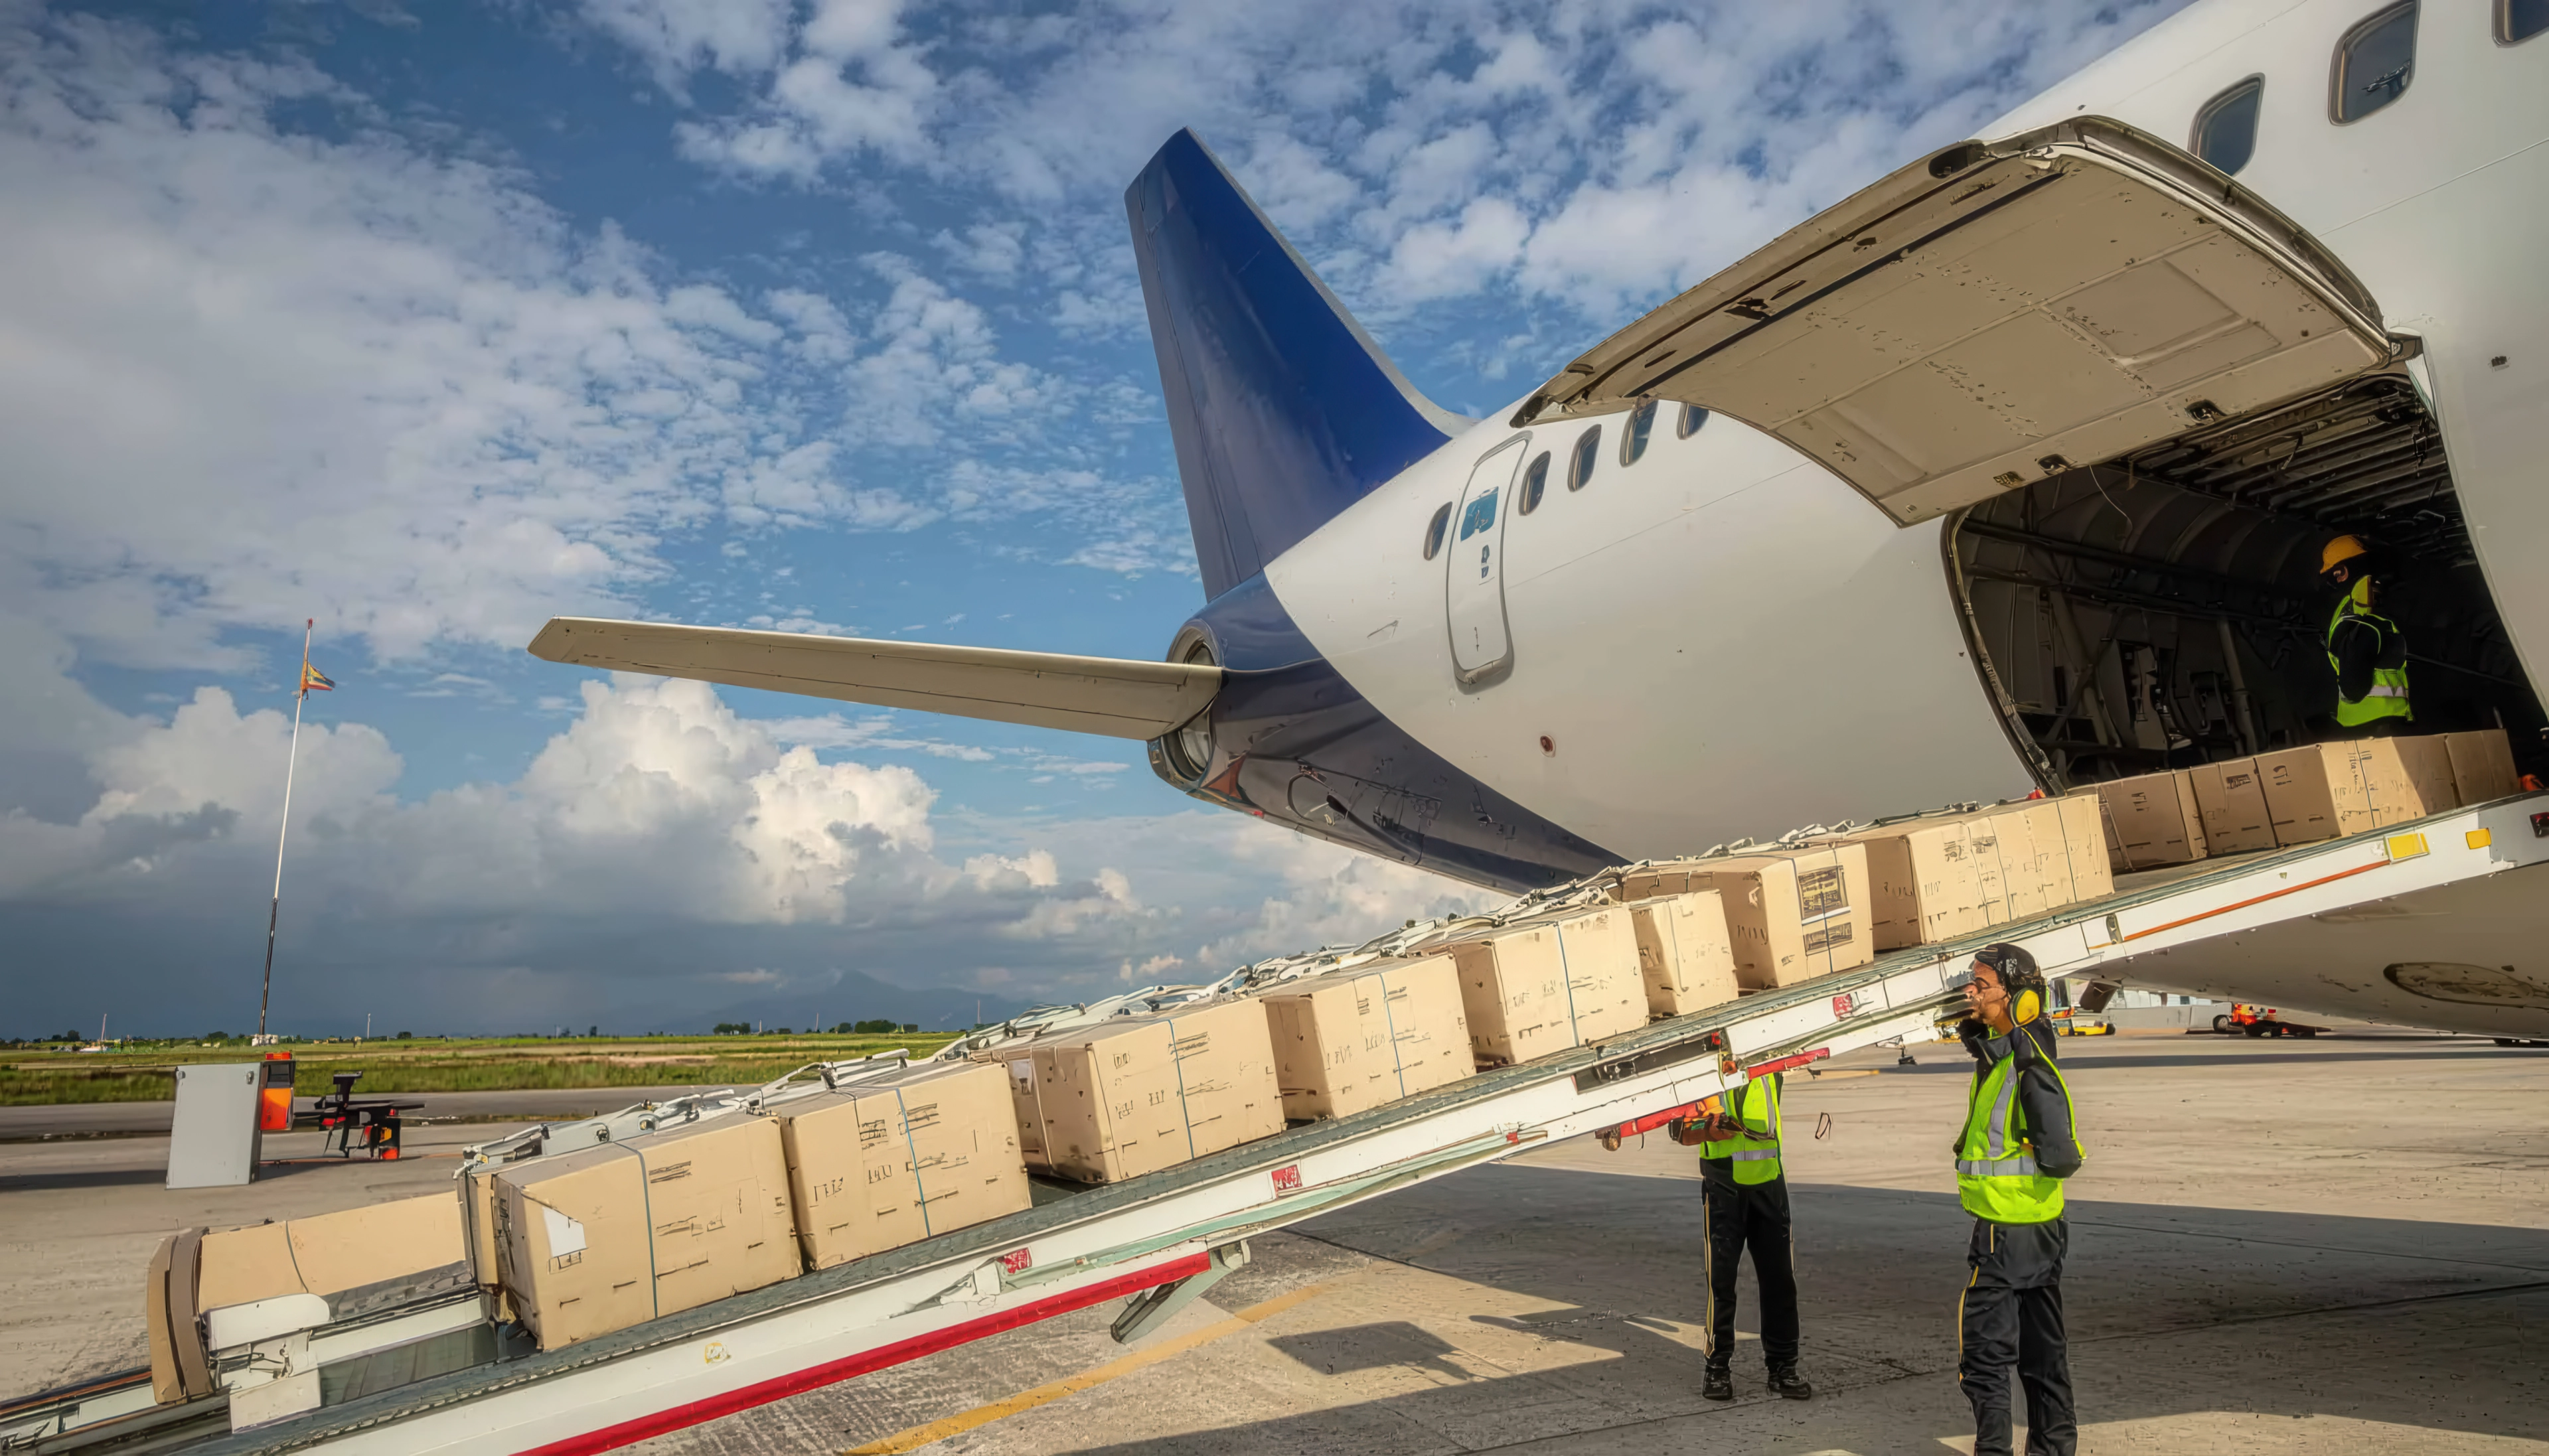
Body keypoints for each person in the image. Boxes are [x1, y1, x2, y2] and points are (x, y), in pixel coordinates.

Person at [1954, 944, 2084, 1456]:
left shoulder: (2028, 1069)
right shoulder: (2022, 1051)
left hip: (2004, 1232)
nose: (1972, 991)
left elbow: (2059, 1156)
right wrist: (1975, 1032)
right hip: (2042, 1227)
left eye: (1981, 985)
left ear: (2012, 996)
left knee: (1984, 1359)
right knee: (2044, 1356)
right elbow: (2000, 1048)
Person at [1681, 1069, 1810, 1402]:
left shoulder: (1769, 1071)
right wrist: (1711, 1130)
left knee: (1780, 1281)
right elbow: (1681, 1132)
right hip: (1723, 1187)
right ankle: (1717, 1367)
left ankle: (1783, 1367)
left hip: (1769, 1183)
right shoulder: (1703, 1075)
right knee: (1721, 1283)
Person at [2321, 534, 2413, 737]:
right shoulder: (2362, 627)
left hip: (2374, 728)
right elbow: (2353, 688)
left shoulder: (2360, 622)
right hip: (2372, 732)